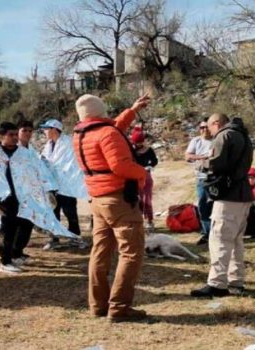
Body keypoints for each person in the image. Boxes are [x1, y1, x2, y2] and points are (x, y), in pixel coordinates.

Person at [73, 93, 150, 323]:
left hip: (97, 200)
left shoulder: (82, 133)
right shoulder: (106, 133)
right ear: (100, 110)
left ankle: (98, 305)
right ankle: (119, 307)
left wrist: (133, 109)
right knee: (131, 252)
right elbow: (120, 164)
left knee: (100, 252)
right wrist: (142, 173)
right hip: (118, 200)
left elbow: (114, 128)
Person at [0, 122, 80, 273]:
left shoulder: (25, 154)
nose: (15, 138)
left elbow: (40, 171)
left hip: (25, 198)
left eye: (16, 134)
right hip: (4, 200)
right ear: (2, 136)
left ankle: (16, 253)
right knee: (7, 231)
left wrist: (49, 189)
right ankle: (5, 261)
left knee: (25, 226)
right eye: (11, 135)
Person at [190, 113, 253, 298]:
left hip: (228, 195)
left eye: (209, 127)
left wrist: (202, 162)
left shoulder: (225, 135)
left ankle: (217, 283)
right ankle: (236, 281)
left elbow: (217, 163)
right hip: (241, 193)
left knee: (220, 239)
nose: (208, 131)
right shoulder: (242, 135)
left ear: (216, 123)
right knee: (235, 240)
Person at [40, 118, 89, 250]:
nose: (44, 131)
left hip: (67, 185)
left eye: (46, 128)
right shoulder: (48, 145)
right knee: (53, 213)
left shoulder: (68, 143)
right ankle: (54, 238)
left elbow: (69, 163)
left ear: (54, 129)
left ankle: (75, 237)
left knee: (70, 212)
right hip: (52, 185)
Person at [14, 119, 58, 263]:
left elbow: (40, 169)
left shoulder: (31, 150)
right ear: (17, 132)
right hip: (18, 194)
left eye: (29, 131)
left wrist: (48, 188)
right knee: (19, 224)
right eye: (23, 131)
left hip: (32, 193)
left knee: (28, 223)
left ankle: (19, 251)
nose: (27, 133)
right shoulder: (14, 149)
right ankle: (14, 253)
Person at [185, 120, 214, 245]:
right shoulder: (196, 141)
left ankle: (217, 232)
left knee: (216, 205)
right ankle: (206, 233)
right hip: (202, 177)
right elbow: (188, 156)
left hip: (216, 177)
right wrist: (203, 157)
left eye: (206, 127)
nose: (204, 129)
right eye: (202, 127)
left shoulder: (217, 139)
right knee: (203, 204)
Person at [131, 127, 158, 231]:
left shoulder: (149, 150)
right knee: (136, 199)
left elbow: (154, 161)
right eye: (136, 142)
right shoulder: (131, 150)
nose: (138, 145)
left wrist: (150, 165)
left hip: (146, 176)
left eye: (140, 142)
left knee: (147, 199)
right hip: (134, 177)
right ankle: (138, 221)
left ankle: (150, 221)